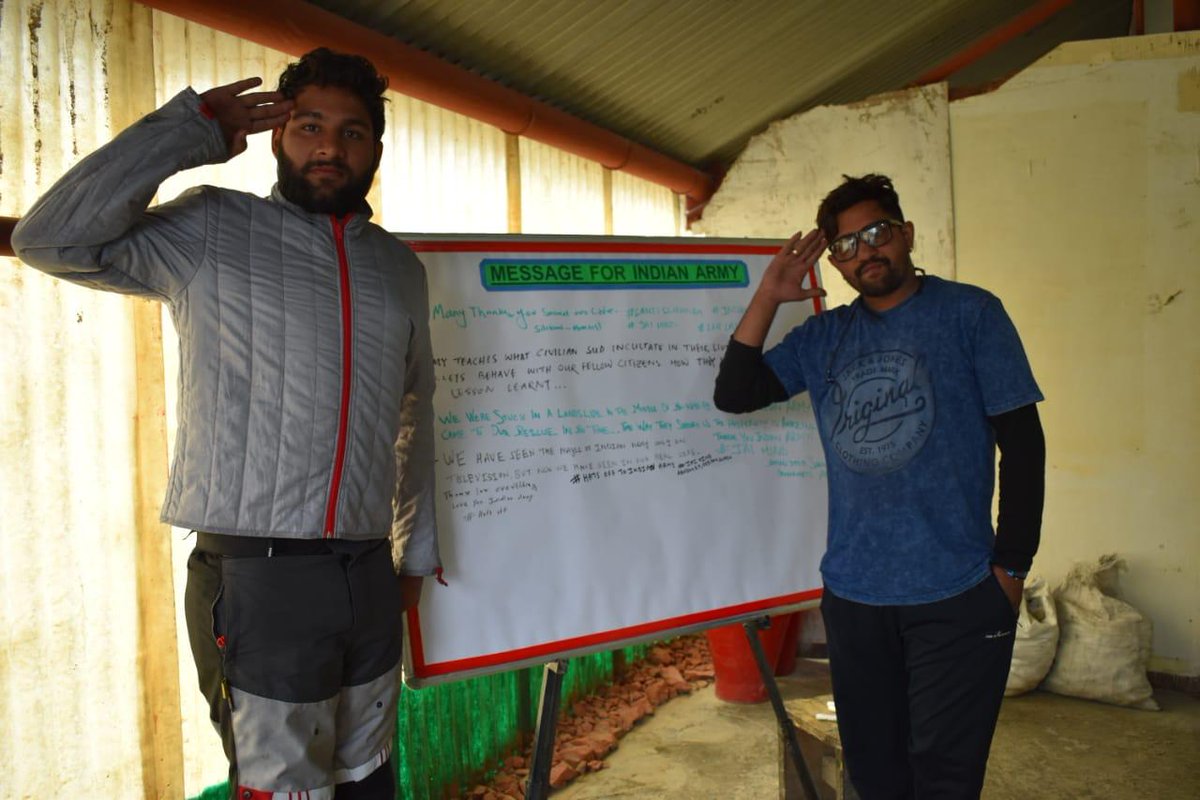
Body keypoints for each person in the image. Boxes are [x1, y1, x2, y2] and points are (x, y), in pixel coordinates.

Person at [13, 48, 440, 799]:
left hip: (369, 570)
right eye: (309, 126)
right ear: (278, 136)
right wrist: (190, 130)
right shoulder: (212, 226)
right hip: (261, 574)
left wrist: (412, 559)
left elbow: (415, 416)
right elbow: (50, 239)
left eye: (352, 132)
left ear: (375, 148)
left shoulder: (400, 269)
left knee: (370, 777)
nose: (329, 148)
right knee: (285, 786)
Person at [714, 174, 1045, 799]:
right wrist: (770, 296)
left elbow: (1024, 446)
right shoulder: (825, 338)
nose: (865, 251)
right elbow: (735, 394)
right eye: (845, 245)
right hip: (855, 596)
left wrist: (1011, 570)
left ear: (906, 233)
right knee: (874, 775)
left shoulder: (972, 314)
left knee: (945, 778)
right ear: (835, 263)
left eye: (876, 233)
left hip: (959, 592)